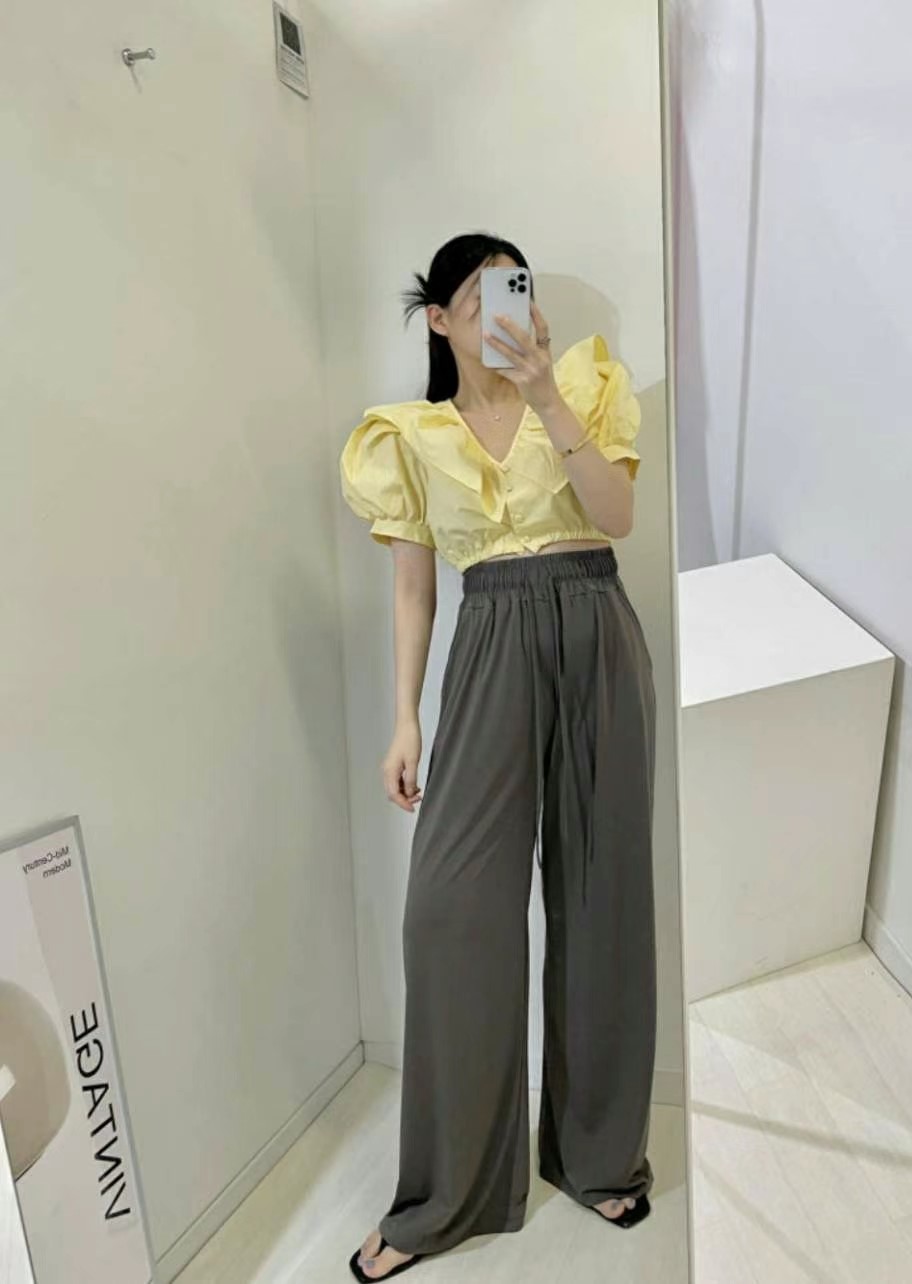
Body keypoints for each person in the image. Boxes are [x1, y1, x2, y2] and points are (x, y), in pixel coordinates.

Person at [339, 233, 657, 1281]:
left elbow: (616, 516)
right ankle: (448, 1193)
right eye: (479, 298)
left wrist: (548, 396)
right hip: (488, 641)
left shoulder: (585, 384)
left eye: (513, 289)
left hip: (596, 625)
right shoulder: (410, 436)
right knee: (449, 913)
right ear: (438, 319)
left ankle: (597, 1155)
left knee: (603, 898)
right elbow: (413, 589)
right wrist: (404, 718)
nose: (501, 310)